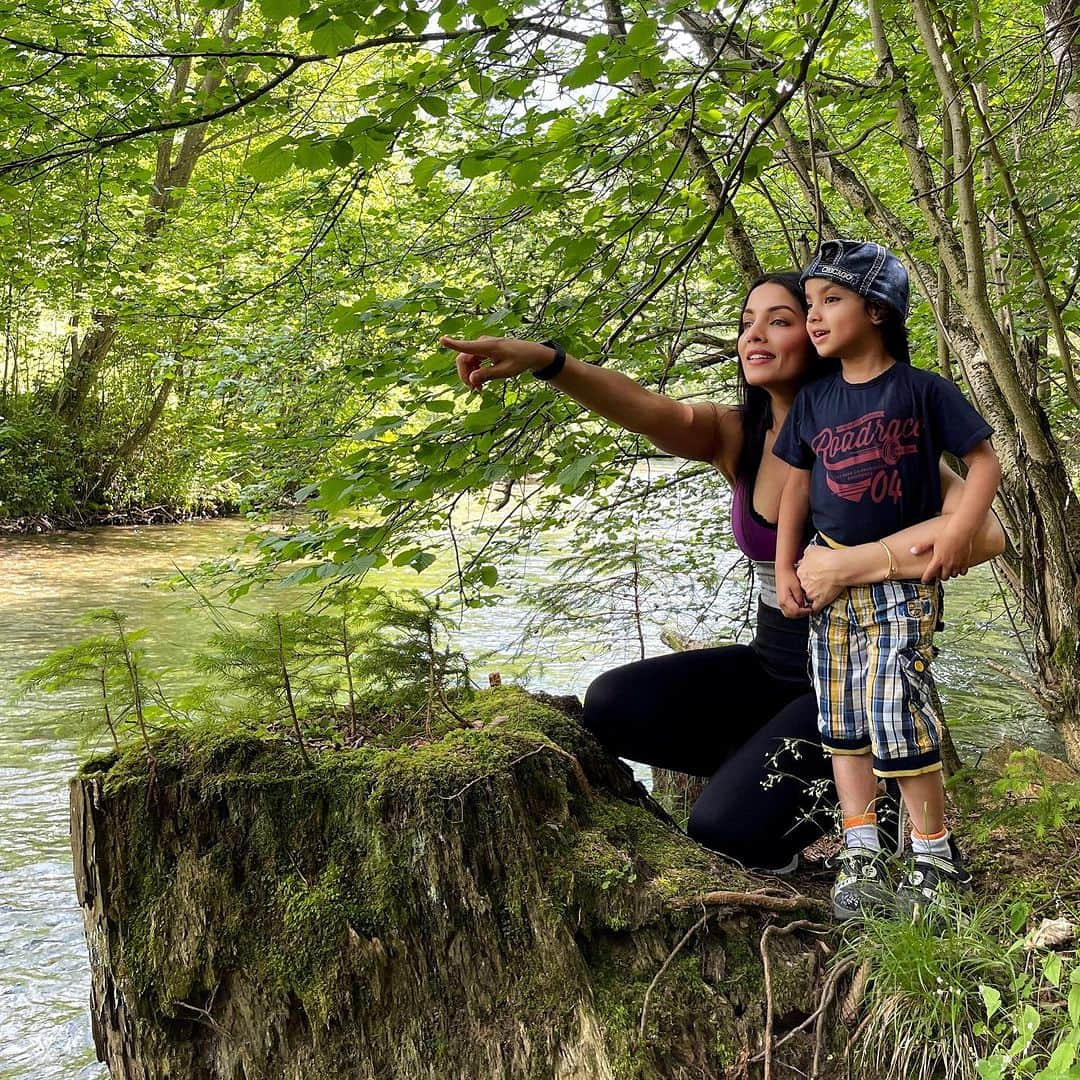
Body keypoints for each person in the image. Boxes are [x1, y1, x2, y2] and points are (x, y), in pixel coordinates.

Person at [440, 270, 1003, 875]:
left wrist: (847, 564)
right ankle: (770, 777)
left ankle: (874, 822)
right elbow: (643, 408)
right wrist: (544, 360)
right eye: (746, 323)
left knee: (720, 833)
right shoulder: (739, 434)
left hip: (848, 676)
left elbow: (989, 533)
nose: (753, 335)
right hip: (772, 664)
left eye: (779, 321)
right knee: (611, 705)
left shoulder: (881, 428)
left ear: (824, 331)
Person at [773, 239, 1002, 920]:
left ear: (876, 309)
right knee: (842, 720)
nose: (815, 317)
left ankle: (933, 852)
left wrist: (959, 528)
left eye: (830, 301)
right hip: (829, 585)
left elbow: (985, 461)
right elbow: (794, 487)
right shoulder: (814, 400)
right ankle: (863, 847)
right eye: (809, 305)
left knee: (896, 712)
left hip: (900, 589)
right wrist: (787, 564)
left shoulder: (922, 389)